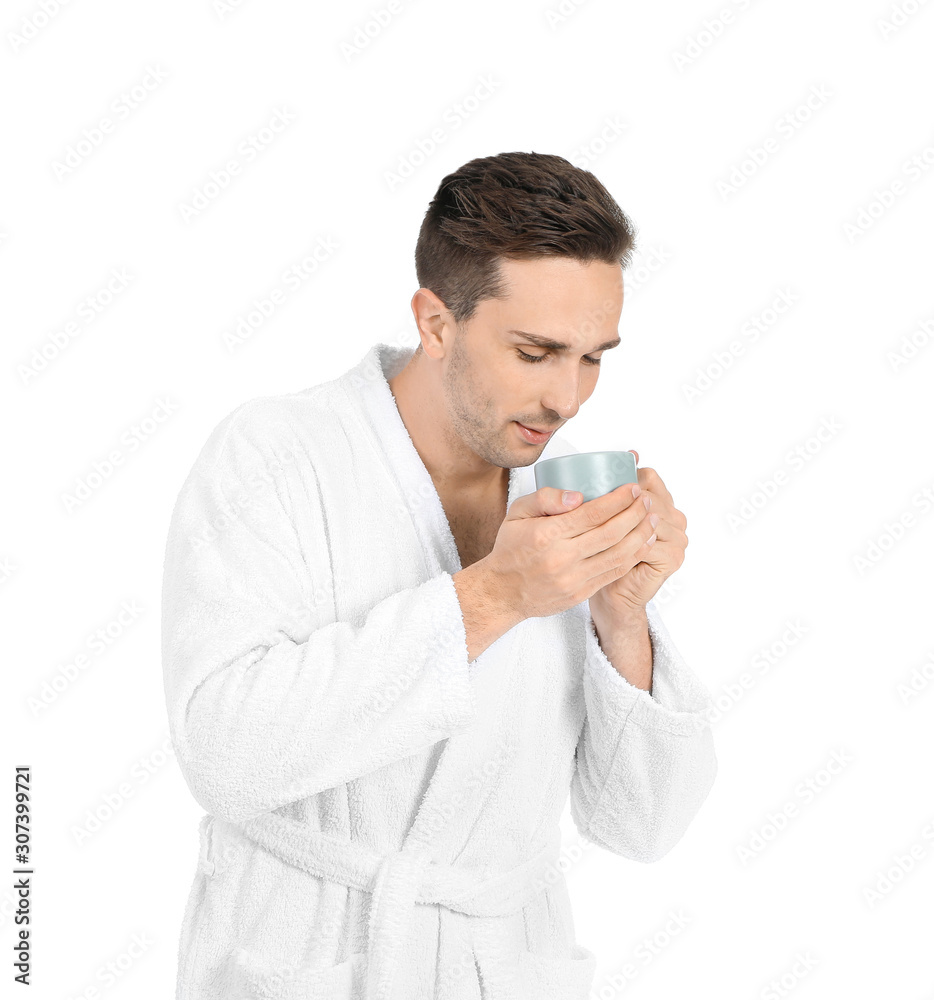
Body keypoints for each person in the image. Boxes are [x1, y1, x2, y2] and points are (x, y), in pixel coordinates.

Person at [161, 150, 718, 1000]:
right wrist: (496, 594)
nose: (568, 397)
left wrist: (623, 616)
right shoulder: (277, 457)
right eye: (535, 352)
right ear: (436, 322)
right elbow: (225, 754)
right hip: (307, 961)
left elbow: (640, 826)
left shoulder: (564, 494)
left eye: (593, 356)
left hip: (505, 967)